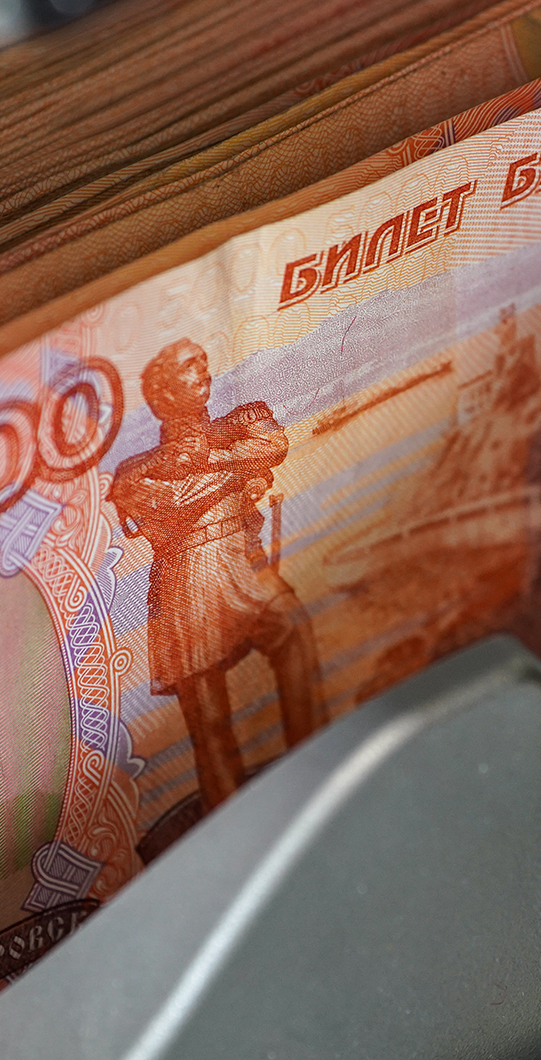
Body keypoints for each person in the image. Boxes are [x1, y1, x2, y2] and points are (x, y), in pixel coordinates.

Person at [110, 339, 322, 809]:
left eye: (204, 362)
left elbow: (274, 443)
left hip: (243, 563)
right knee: (208, 717)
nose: (203, 371)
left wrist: (211, 458)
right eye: (190, 367)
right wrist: (235, 470)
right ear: (165, 393)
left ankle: (315, 768)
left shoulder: (240, 421)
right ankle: (229, 816)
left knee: (293, 627)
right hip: (186, 583)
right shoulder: (134, 472)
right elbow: (174, 504)